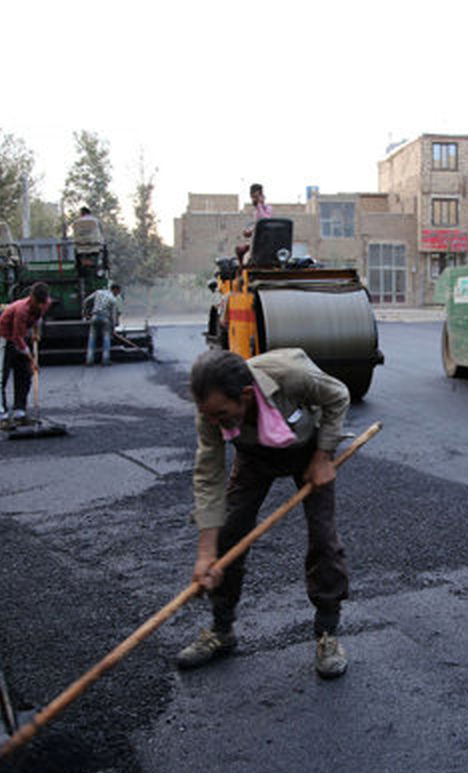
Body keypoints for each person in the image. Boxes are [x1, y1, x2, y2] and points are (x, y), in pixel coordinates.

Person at [179, 348, 351, 679]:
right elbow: (208, 475)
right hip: (254, 457)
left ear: (245, 395)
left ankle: (328, 633)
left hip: (308, 450)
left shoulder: (291, 376)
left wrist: (324, 455)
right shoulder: (210, 410)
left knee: (323, 537)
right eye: (209, 416)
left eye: (222, 414)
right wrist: (205, 554)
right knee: (228, 536)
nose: (214, 422)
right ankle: (221, 631)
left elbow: (338, 396)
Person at [0, 282, 51, 431]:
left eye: (42, 303)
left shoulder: (45, 303)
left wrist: (37, 332)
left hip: (21, 337)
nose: (40, 306)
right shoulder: (21, 310)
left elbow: (38, 319)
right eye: (37, 303)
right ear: (32, 297)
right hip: (5, 338)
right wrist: (32, 359)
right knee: (1, 378)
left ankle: (20, 413)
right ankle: (3, 417)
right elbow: (17, 337)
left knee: (25, 374)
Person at [235, 183, 273, 266]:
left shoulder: (268, 208)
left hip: (265, 243)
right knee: (239, 250)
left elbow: (265, 220)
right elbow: (258, 226)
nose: (254, 200)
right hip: (256, 242)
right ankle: (242, 268)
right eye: (253, 198)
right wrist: (249, 231)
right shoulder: (256, 212)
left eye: (256, 197)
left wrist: (259, 205)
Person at [83, 283, 122, 366]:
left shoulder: (98, 292)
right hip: (105, 319)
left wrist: (85, 314)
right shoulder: (113, 299)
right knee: (106, 339)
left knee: (91, 339)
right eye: (118, 292)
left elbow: (86, 301)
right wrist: (114, 328)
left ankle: (89, 360)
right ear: (115, 290)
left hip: (94, 317)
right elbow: (113, 315)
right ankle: (105, 360)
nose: (117, 294)